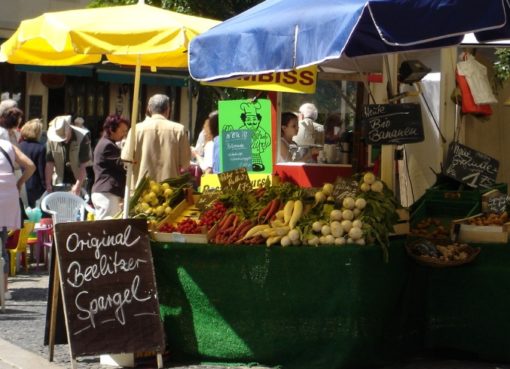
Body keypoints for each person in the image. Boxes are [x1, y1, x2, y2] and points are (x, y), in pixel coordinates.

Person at [121, 94, 191, 188]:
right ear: (168, 109)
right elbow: (185, 164)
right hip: (169, 190)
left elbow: (126, 158)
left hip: (142, 190)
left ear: (149, 109)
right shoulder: (179, 130)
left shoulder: (136, 129)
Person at [0, 138, 35, 299]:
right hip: (7, 194)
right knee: (2, 243)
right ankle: (4, 289)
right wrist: (19, 182)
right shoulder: (8, 145)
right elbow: (30, 166)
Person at [91, 115, 129, 220]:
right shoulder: (107, 145)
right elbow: (123, 165)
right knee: (107, 229)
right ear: (112, 130)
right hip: (107, 194)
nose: (124, 134)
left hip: (104, 193)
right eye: (122, 131)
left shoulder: (106, 143)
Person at [45, 115, 92, 196]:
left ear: (70, 129)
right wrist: (48, 183)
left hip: (78, 179)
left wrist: (78, 185)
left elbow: (83, 166)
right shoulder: (51, 139)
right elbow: (49, 163)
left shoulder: (82, 138)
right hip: (59, 180)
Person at [19, 119, 46, 208]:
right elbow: (41, 170)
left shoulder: (19, 146)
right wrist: (45, 186)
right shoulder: (41, 148)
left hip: (20, 182)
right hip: (34, 186)